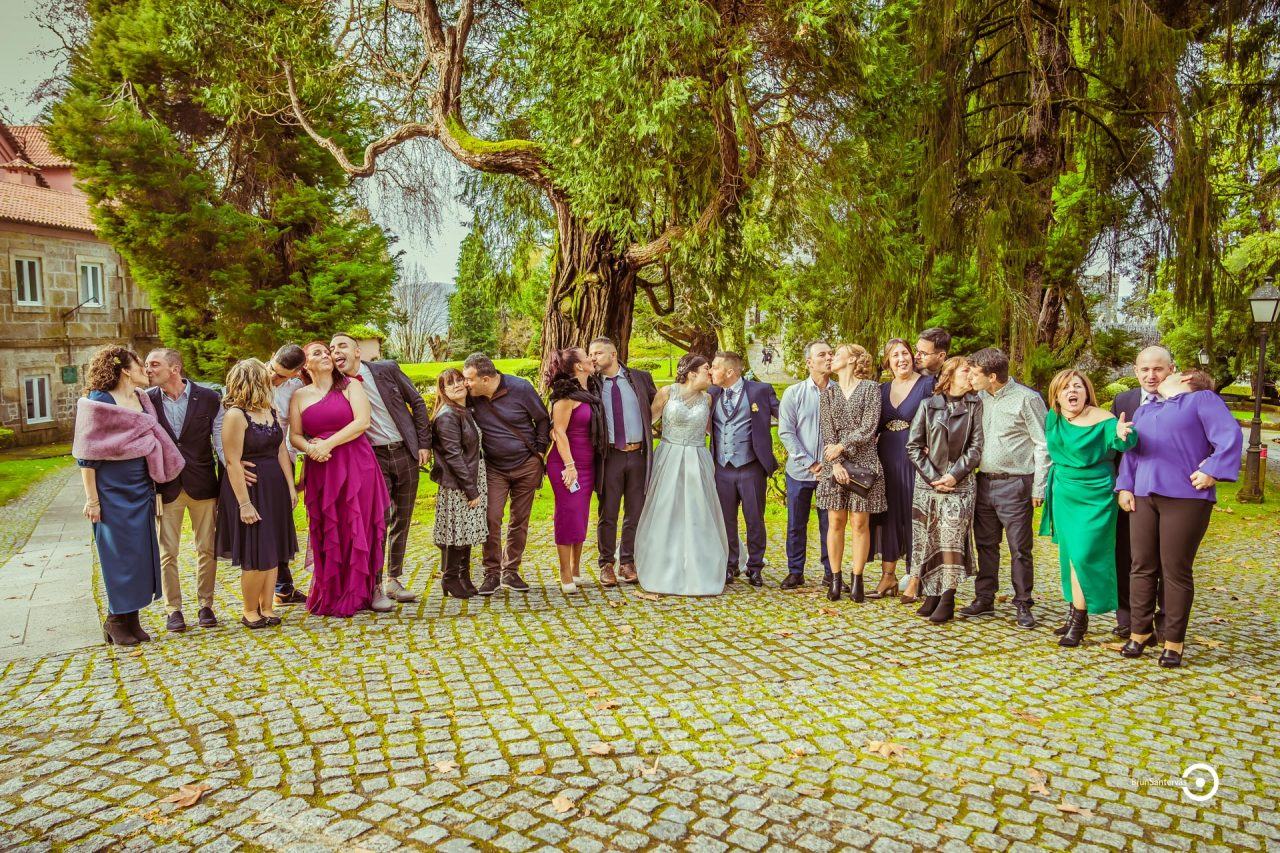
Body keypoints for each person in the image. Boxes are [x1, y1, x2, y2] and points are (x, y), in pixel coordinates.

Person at [1115, 370, 1242, 667]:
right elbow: (1133, 453)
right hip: (1144, 495)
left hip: (1186, 497)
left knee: (1175, 569)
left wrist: (1212, 469)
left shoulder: (1201, 400)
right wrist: (1124, 486)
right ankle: (1140, 632)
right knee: (1141, 565)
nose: (1160, 376)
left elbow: (1229, 434)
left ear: (1185, 378)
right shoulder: (1146, 409)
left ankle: (1173, 641)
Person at [73, 346, 184, 646]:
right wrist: (92, 499)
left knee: (140, 554)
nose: (145, 370)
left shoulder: (142, 398)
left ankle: (131, 617)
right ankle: (114, 619)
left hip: (140, 485)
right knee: (117, 556)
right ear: (124, 368)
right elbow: (86, 454)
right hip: (110, 489)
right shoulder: (99, 400)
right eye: (139, 365)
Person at [289, 341, 390, 617]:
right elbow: (295, 435)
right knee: (328, 526)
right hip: (322, 468)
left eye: (327, 352)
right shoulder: (299, 396)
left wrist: (327, 444)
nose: (326, 355)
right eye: (317, 353)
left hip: (356, 463)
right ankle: (332, 590)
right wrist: (311, 448)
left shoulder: (350, 386)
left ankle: (363, 590)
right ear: (305, 365)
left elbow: (362, 422)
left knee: (358, 524)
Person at [332, 332, 432, 609]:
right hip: (371, 459)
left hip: (406, 451)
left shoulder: (387, 370)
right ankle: (374, 586)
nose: (335, 351)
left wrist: (424, 443)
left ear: (356, 352)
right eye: (331, 348)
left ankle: (394, 578)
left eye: (341, 345)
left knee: (403, 517)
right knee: (378, 520)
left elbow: (418, 402)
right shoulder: (336, 386)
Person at [1039, 370, 1136, 646]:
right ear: (1057, 395)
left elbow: (1124, 441)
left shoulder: (1104, 420)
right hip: (1064, 492)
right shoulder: (1054, 417)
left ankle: (1080, 621)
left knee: (1084, 555)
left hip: (1095, 495)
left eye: (1078, 386)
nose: (1072, 391)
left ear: (1087, 391)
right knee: (1069, 555)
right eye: (1066, 387)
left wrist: (1123, 434)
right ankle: (1073, 615)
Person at [961, 347, 1050, 629]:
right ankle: (984, 598)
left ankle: (1023, 603)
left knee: (1019, 548)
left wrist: (1039, 487)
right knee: (986, 545)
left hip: (1016, 483)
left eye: (976, 374)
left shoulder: (1027, 399)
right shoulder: (977, 399)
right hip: (983, 481)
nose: (971, 379)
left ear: (993, 375)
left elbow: (1043, 443)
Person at [213, 344, 308, 605]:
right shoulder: (234, 408)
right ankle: (253, 607)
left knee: (275, 541)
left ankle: (277, 595)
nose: (273, 380)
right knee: (258, 546)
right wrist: (234, 464)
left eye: (281, 377)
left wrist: (290, 485)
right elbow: (225, 445)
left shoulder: (288, 395)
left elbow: (282, 446)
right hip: (250, 474)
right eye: (271, 374)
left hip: (276, 473)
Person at [635, 354, 729, 595]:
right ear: (691, 373)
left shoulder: (708, 399)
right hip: (669, 455)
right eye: (707, 368)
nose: (711, 372)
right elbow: (647, 421)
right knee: (667, 508)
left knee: (698, 509)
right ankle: (663, 563)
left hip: (697, 458)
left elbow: (713, 430)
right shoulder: (668, 392)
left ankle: (700, 566)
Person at [144, 348, 222, 633]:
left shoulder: (210, 398)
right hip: (167, 486)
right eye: (147, 364)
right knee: (168, 552)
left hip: (202, 483)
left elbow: (220, 442)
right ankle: (172, 610)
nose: (148, 369)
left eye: (155, 364)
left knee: (207, 549)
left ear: (174, 368)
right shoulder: (147, 400)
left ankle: (206, 605)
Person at [463, 353, 551, 594]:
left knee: (519, 520)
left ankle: (510, 571)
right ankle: (491, 573)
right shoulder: (472, 398)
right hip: (494, 468)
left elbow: (543, 419)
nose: (465, 383)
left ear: (486, 378)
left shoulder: (520, 388)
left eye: (469, 379)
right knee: (491, 518)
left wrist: (540, 452)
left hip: (526, 465)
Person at [906, 356, 983, 623]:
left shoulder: (975, 405)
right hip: (927, 484)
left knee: (951, 540)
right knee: (927, 538)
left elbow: (975, 447)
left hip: (959, 484)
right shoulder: (928, 405)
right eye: (966, 371)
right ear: (949, 375)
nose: (971, 376)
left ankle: (948, 597)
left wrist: (953, 475)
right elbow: (913, 446)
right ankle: (932, 593)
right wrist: (933, 477)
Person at [1107, 345, 1174, 638]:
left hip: (1171, 493)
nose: (1151, 375)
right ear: (1135, 371)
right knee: (1127, 556)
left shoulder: (1186, 401)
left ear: (1171, 369)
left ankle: (1163, 621)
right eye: (1144, 369)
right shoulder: (1124, 400)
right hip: (1129, 493)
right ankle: (1128, 617)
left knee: (1166, 560)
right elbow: (1113, 448)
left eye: (1158, 369)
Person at [816, 344, 886, 602]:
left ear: (853, 359)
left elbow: (869, 428)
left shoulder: (870, 389)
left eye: (838, 353)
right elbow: (827, 430)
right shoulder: (828, 394)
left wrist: (843, 447)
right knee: (835, 521)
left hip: (864, 461)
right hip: (835, 464)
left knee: (859, 522)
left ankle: (857, 579)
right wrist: (835, 463)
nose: (832, 357)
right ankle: (835, 579)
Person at [587, 337, 658, 586]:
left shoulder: (639, 378)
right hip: (610, 456)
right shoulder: (591, 385)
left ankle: (627, 561)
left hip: (638, 455)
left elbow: (657, 407)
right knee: (608, 512)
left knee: (634, 511)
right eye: (590, 354)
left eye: (597, 353)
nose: (592, 358)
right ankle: (606, 563)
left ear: (613, 354)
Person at [708, 350, 780, 587]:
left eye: (715, 367)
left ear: (730, 371)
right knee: (725, 519)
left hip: (751, 466)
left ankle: (755, 566)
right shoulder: (711, 393)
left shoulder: (760, 390)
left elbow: (785, 416)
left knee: (754, 519)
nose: (711, 371)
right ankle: (729, 565)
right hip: (722, 467)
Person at [872, 338, 936, 601]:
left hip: (915, 458)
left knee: (915, 516)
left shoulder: (927, 385)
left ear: (913, 357)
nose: (902, 359)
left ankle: (915, 577)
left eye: (906, 353)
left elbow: (938, 418)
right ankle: (888, 576)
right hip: (886, 455)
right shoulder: (880, 389)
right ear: (888, 362)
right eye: (895, 355)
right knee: (889, 516)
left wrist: (933, 446)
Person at [546, 347, 607, 593]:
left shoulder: (589, 391)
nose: (592, 359)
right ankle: (564, 572)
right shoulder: (564, 396)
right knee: (567, 514)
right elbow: (558, 432)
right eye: (587, 357)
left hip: (588, 462)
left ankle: (577, 567)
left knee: (581, 515)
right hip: (565, 463)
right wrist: (569, 466)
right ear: (579, 366)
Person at [777, 340, 834, 589]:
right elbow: (786, 433)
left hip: (832, 473)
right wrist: (811, 463)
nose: (829, 358)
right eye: (822, 354)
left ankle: (831, 572)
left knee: (830, 524)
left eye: (831, 353)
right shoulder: (794, 393)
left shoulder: (840, 393)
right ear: (809, 362)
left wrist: (829, 465)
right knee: (795, 524)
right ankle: (795, 571)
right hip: (800, 472)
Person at [430, 369, 486, 599]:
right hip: (459, 482)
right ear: (443, 391)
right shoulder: (447, 416)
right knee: (457, 531)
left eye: (459, 380)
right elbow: (453, 455)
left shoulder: (464, 410)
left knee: (467, 529)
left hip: (472, 475)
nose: (456, 385)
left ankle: (464, 575)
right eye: (449, 383)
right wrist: (470, 488)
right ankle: (450, 577)